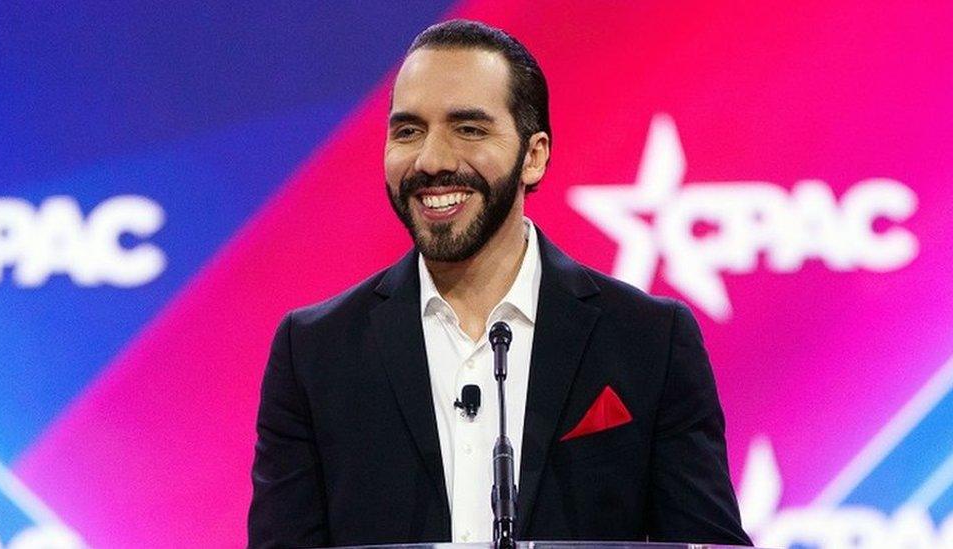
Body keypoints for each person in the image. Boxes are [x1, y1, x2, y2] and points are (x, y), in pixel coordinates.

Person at [249, 19, 751, 548]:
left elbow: (707, 543)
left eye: (468, 129)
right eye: (407, 131)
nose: (431, 161)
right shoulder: (314, 352)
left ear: (533, 156)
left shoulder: (650, 339)